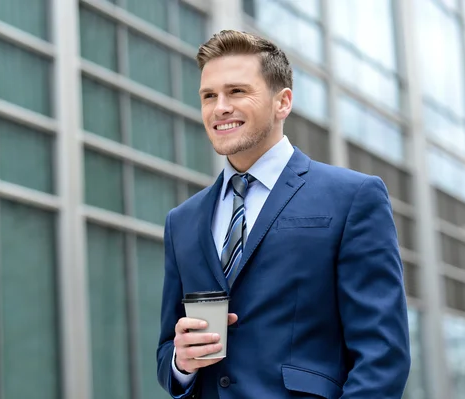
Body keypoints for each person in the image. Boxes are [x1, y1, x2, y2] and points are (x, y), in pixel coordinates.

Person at [156, 30, 410, 399]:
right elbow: (167, 351)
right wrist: (181, 363)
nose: (220, 107)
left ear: (283, 102)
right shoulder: (182, 220)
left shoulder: (352, 197)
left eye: (237, 91)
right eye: (209, 96)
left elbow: (382, 355)